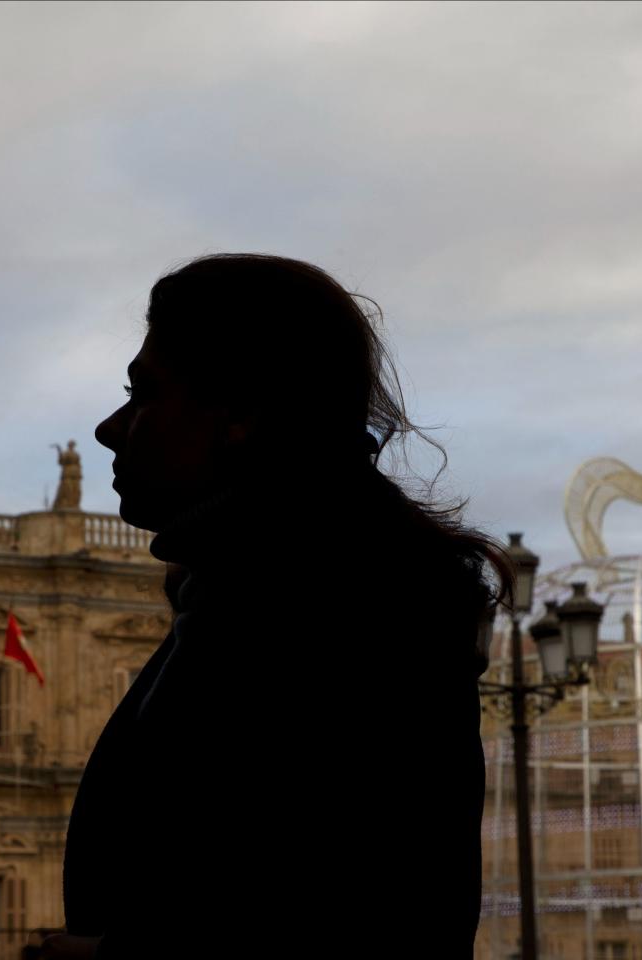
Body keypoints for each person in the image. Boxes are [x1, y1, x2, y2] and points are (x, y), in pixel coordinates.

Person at [45, 254, 509, 958]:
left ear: (238, 413)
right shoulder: (266, 584)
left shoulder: (340, 605)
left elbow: (341, 911)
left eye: (144, 394)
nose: (112, 427)